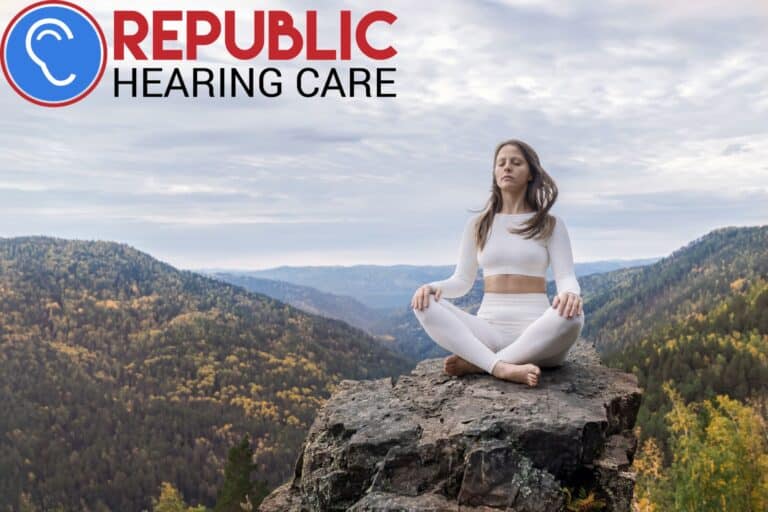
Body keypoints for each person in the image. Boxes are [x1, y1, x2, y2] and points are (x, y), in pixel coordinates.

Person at [411, 139, 584, 387]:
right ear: (494, 172)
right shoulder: (478, 224)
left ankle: (480, 364)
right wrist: (433, 287)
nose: (507, 168)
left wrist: (570, 294)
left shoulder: (549, 224)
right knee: (422, 303)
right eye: (501, 163)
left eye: (516, 163)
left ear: (530, 174)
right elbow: (462, 281)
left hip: (538, 336)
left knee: (574, 317)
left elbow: (566, 275)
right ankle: (499, 367)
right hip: (488, 332)